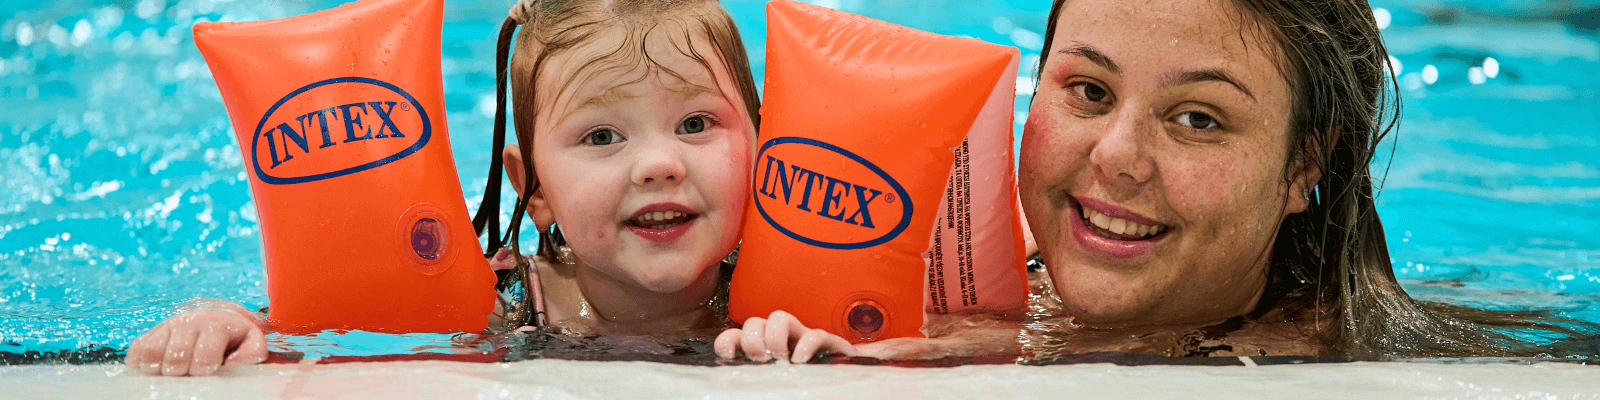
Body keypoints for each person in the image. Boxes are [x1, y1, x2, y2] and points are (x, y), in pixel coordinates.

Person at [126, 0, 762, 376]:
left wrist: (838, 351)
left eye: (695, 124)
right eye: (602, 138)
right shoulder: (500, 304)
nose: (659, 164)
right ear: (533, 188)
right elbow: (309, 332)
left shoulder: (778, 299)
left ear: (763, 148)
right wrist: (221, 321)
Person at [1020, 0, 1594, 358]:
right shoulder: (967, 261)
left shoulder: (1344, 367)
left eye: (1198, 118)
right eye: (1089, 90)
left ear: (1302, 167)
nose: (1116, 157)